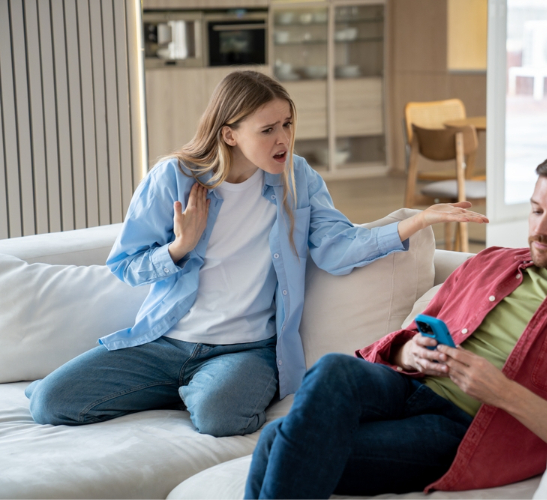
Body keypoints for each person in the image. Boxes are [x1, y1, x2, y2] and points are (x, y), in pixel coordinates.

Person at [24, 70, 488, 437]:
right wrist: (180, 247)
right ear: (229, 134)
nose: (283, 139)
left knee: (221, 417)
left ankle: (199, 389)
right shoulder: (174, 178)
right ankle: (181, 386)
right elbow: (125, 266)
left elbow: (335, 249)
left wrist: (418, 220)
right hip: (165, 342)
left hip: (245, 351)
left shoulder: (298, 178)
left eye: (287, 124)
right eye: (268, 129)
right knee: (51, 402)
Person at [245, 149, 547, 498]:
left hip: (462, 428)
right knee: (334, 369)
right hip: (408, 384)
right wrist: (407, 350)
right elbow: (416, 330)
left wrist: (501, 391)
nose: (540, 229)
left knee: (274, 441)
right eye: (537, 211)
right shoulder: (491, 262)